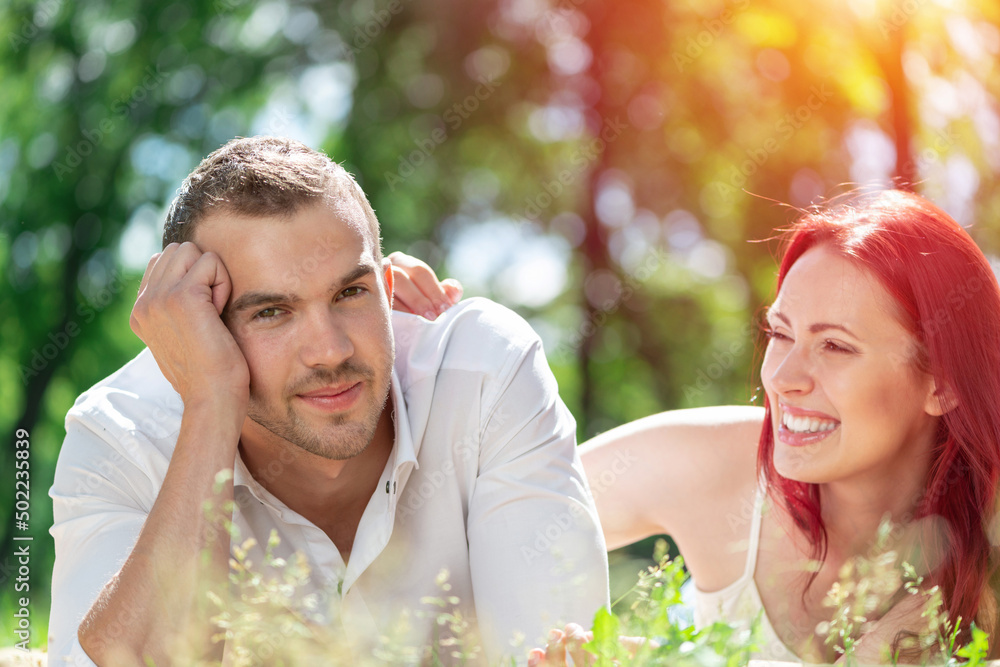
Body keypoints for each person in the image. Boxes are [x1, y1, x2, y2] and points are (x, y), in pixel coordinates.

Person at [47, 136, 610, 667]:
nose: (330, 351)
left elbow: (549, 648)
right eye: (270, 312)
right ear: (200, 325)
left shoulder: (483, 373)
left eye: (349, 293)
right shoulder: (118, 436)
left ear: (386, 286)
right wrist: (211, 404)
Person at [410, 190, 1000, 664]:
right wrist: (411, 350)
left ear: (942, 381)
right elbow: (455, 522)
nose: (784, 377)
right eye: (781, 334)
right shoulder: (717, 465)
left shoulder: (987, 570)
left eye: (836, 347)